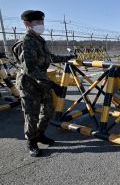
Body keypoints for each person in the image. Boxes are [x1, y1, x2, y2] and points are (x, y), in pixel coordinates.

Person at [12, 10, 76, 157]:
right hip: (29, 83)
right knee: (31, 114)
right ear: (27, 24)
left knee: (48, 110)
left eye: (42, 22)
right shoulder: (26, 42)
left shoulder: (39, 40)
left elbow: (49, 57)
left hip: (42, 81)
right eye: (37, 23)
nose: (41, 25)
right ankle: (31, 141)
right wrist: (52, 85)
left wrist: (68, 57)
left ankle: (40, 134)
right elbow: (30, 68)